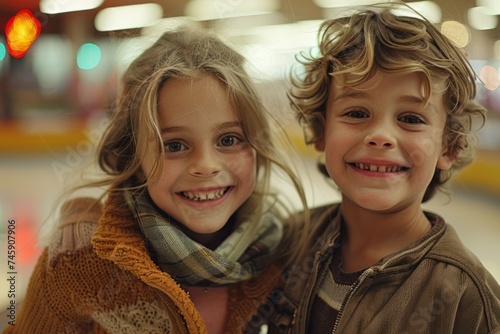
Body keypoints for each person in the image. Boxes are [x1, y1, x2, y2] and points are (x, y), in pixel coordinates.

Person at [4, 26, 308, 333]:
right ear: (135, 159)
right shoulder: (77, 261)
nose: (205, 166)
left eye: (229, 140)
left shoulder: (289, 255)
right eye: (174, 146)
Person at [251, 4, 500, 333]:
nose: (381, 136)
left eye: (410, 119)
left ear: (449, 147)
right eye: (356, 113)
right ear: (321, 131)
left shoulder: (465, 298)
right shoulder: (293, 240)